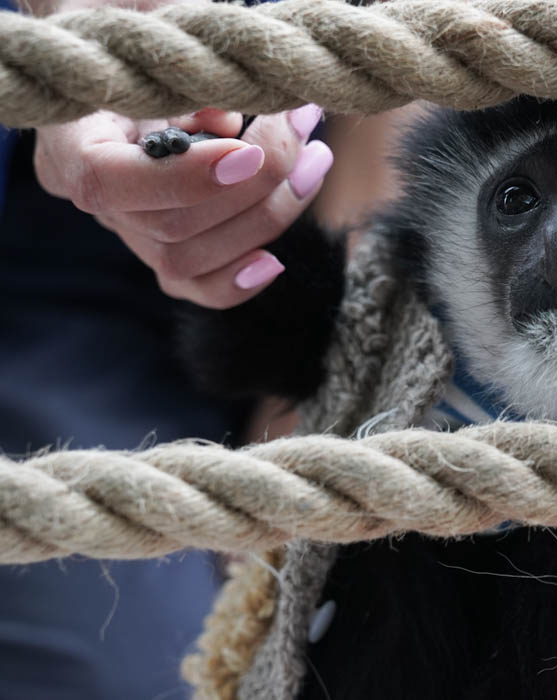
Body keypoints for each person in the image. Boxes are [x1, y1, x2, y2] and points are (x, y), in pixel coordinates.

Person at [0, 1, 335, 696]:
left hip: (299, 269)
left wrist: (317, 378)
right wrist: (72, 39)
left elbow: (407, 103)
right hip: (40, 279)